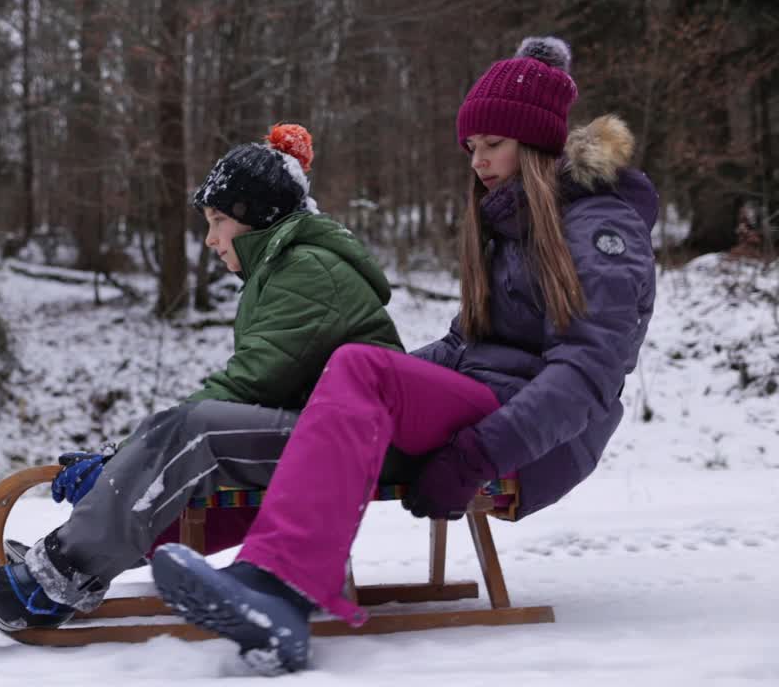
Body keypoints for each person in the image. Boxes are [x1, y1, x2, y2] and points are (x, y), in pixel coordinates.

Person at [149, 36, 660, 675]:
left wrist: (478, 455)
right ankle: (159, 547)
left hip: (541, 436)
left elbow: (587, 376)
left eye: (493, 145)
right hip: (489, 403)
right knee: (340, 391)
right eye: (472, 148)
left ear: (538, 145)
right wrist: (334, 392)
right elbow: (459, 346)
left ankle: (282, 590)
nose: (478, 162)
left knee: (362, 369)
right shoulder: (510, 228)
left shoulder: (600, 232)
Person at [0, 124, 404, 632]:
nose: (212, 240)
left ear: (259, 220)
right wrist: (124, 462)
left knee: (197, 430)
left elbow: (248, 385)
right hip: (335, 432)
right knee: (188, 436)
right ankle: (86, 559)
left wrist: (123, 459)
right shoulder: (287, 269)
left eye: (219, 222)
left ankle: (57, 578)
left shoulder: (308, 272)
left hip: (358, 441)